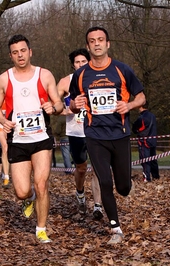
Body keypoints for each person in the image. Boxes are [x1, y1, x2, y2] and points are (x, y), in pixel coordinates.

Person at [69, 26, 146, 244]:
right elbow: (73, 104)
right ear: (88, 46)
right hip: (94, 135)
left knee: (123, 187)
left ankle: (123, 189)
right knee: (104, 181)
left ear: (108, 43)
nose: (97, 43)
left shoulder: (122, 70)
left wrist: (129, 105)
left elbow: (141, 97)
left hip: (120, 133)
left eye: (100, 39)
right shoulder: (80, 75)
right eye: (92, 41)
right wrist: (76, 104)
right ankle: (115, 228)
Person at [0, 34, 63, 243]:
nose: (20, 55)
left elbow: (58, 104)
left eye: (23, 51)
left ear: (30, 52)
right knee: (22, 191)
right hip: (18, 139)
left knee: (42, 184)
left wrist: (53, 107)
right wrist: (2, 119)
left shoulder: (45, 75)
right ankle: (29, 199)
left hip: (41, 138)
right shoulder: (4, 78)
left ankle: (41, 228)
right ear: (11, 56)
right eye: (15, 52)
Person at [57, 48, 103, 218]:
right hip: (76, 132)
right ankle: (80, 193)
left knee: (98, 168)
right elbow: (53, 105)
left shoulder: (98, 77)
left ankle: (98, 206)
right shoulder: (65, 82)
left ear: (89, 61)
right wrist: (67, 110)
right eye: (77, 62)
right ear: (73, 65)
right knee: (81, 169)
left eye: (84, 61)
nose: (81, 65)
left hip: (95, 131)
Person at [132, 102, 160, 182]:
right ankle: (156, 176)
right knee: (153, 159)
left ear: (141, 106)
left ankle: (146, 177)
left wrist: (136, 131)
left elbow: (136, 128)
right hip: (153, 141)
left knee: (145, 160)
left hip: (144, 142)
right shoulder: (152, 116)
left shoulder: (142, 118)